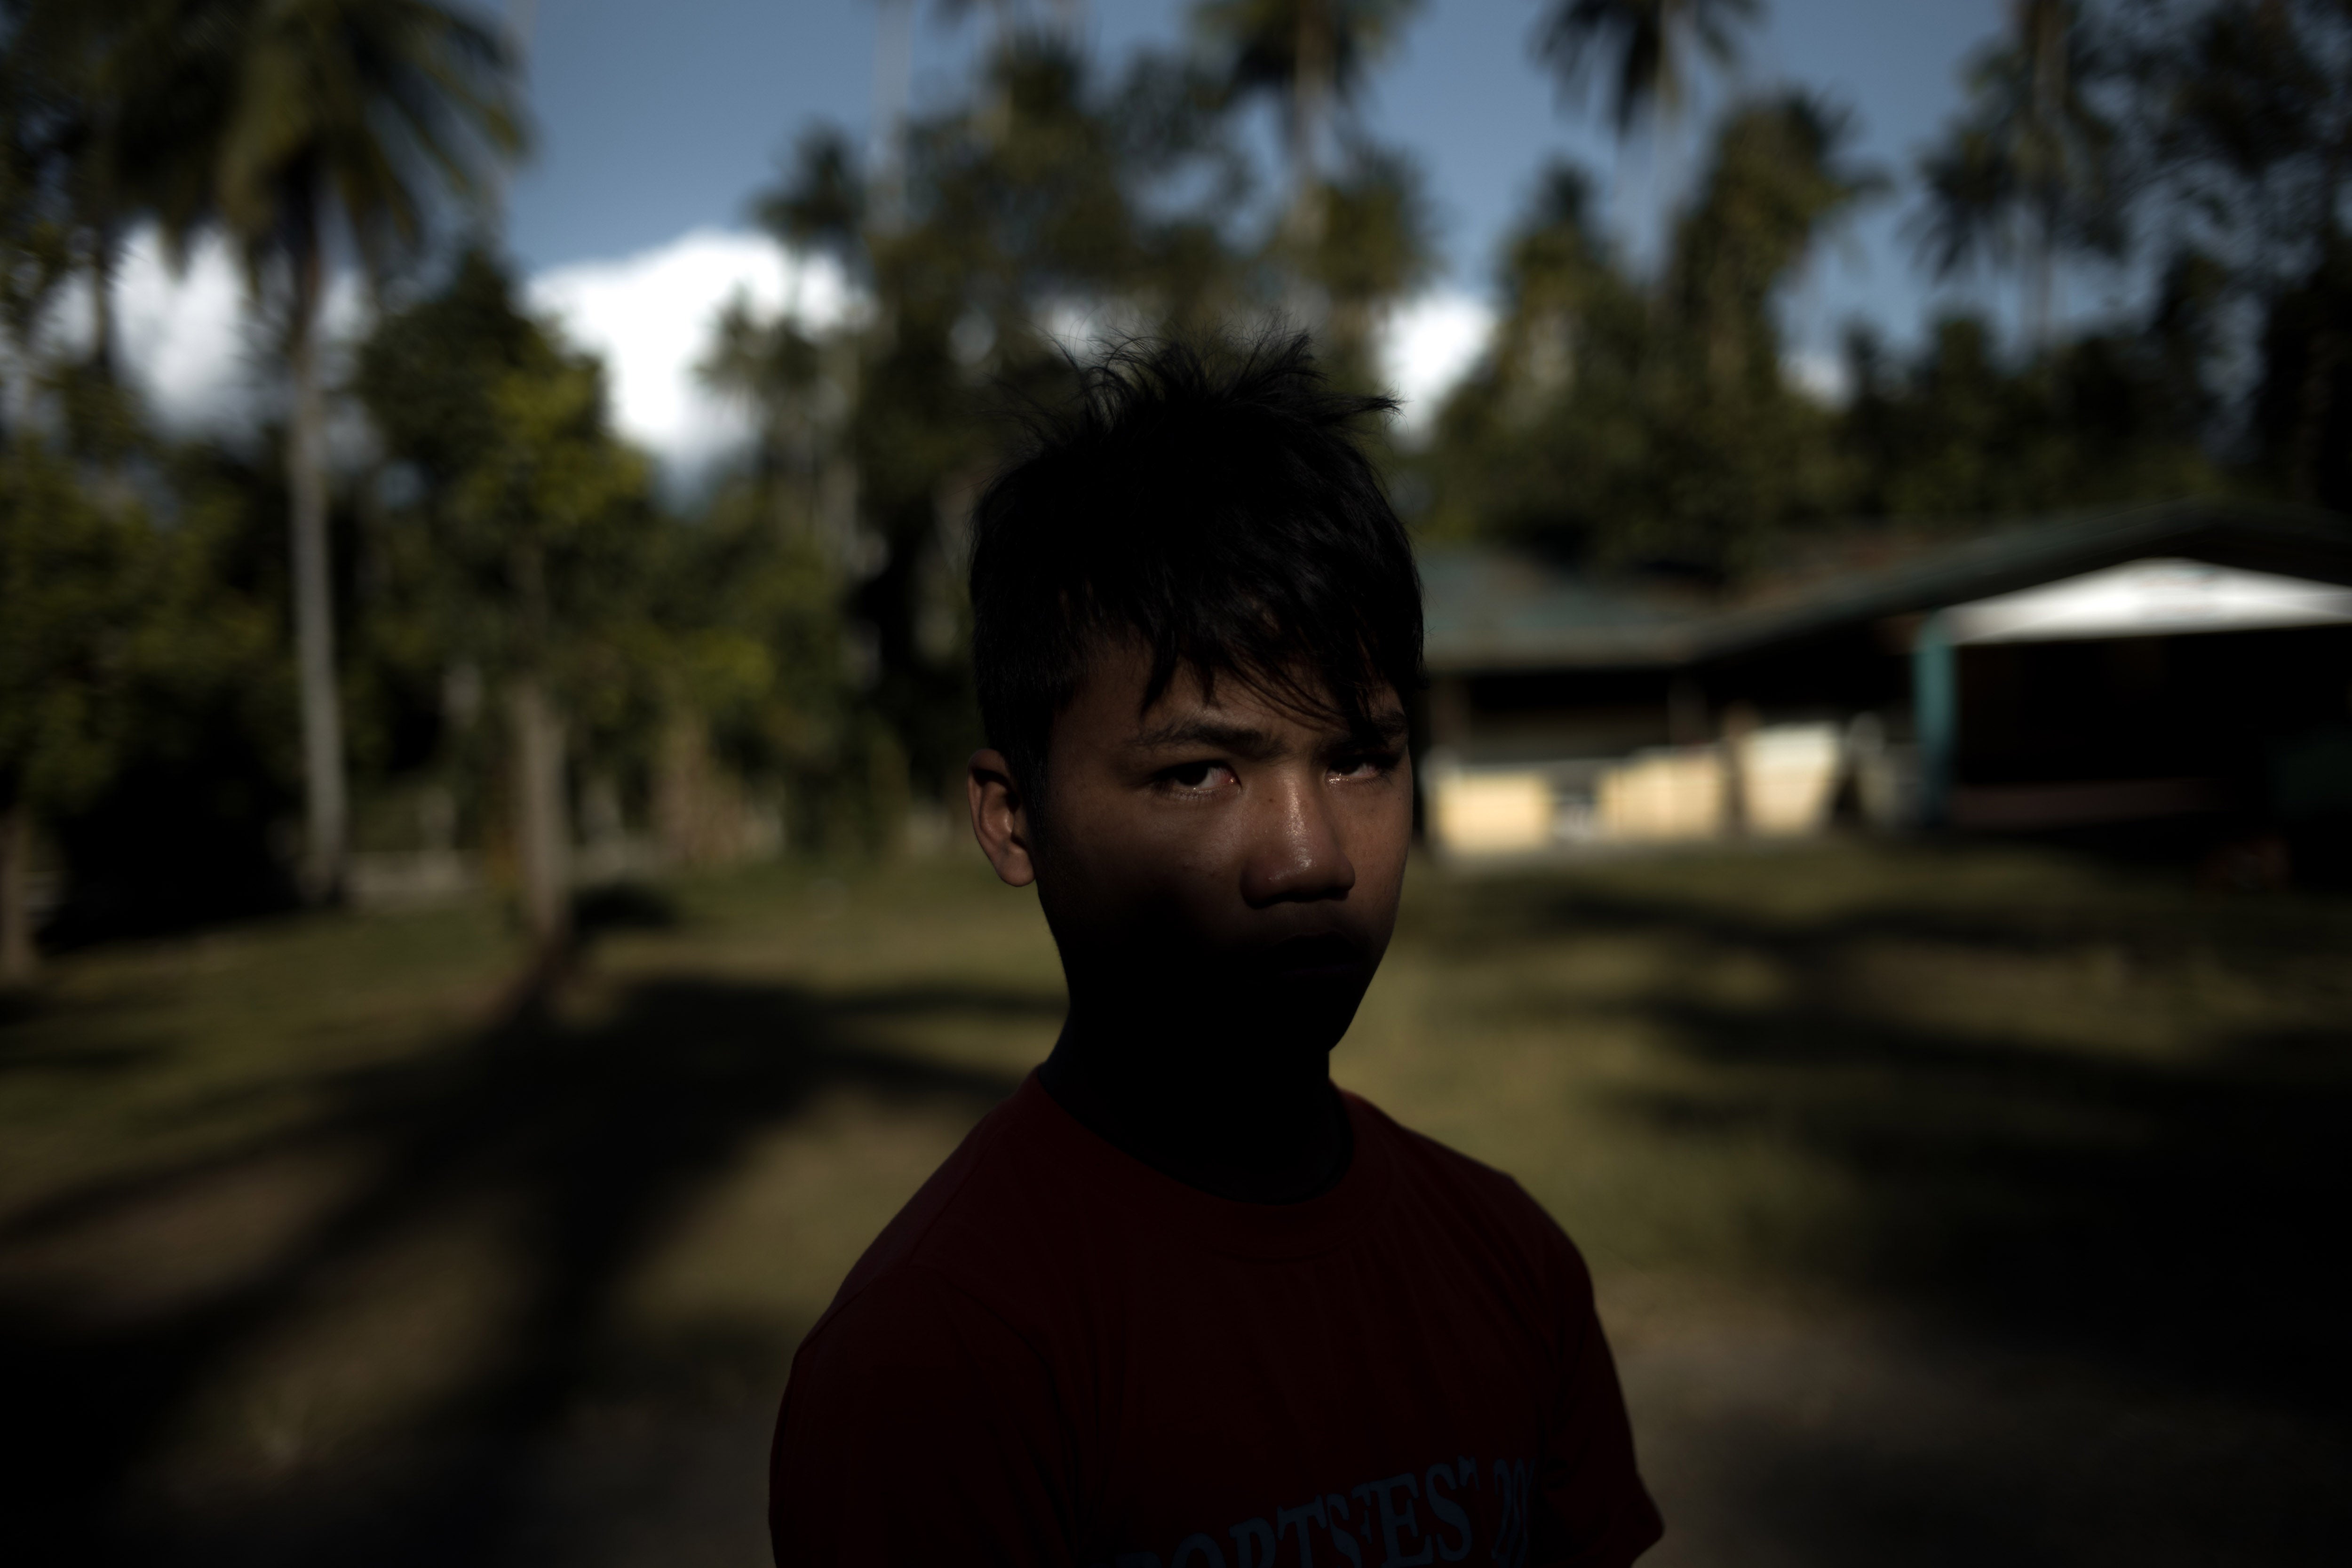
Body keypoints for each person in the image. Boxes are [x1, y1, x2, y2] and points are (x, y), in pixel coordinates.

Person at [769, 335, 1662, 1568]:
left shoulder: (1509, 1260)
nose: (1308, 856)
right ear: (1013, 820)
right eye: (1198, 773)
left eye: (1359, 760)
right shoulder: (938, 1363)